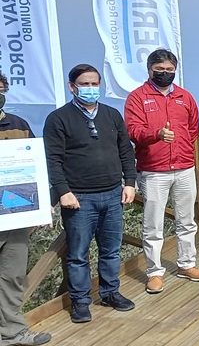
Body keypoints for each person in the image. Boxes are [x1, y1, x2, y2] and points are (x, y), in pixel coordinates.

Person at [44, 64, 138, 323]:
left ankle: (110, 292)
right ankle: (81, 302)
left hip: (112, 194)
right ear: (71, 87)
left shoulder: (111, 115)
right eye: (84, 84)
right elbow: (53, 159)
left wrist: (129, 182)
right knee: (78, 254)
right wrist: (63, 191)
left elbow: (125, 151)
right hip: (78, 199)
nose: (90, 88)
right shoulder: (58, 119)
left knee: (111, 250)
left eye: (94, 83)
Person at [125, 49, 199, 294]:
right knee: (153, 224)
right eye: (159, 70)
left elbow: (193, 128)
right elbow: (133, 131)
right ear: (149, 70)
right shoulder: (137, 97)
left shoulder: (185, 96)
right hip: (153, 170)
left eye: (169, 70)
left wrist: (182, 148)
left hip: (184, 167)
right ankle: (155, 271)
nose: (164, 74)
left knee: (186, 220)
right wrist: (157, 135)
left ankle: (187, 264)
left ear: (175, 70)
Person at [0, 72, 51, 346]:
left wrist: (39, 209)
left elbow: (33, 167)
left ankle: (12, 331)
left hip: (16, 218)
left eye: (1, 88)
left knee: (12, 277)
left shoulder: (18, 126)